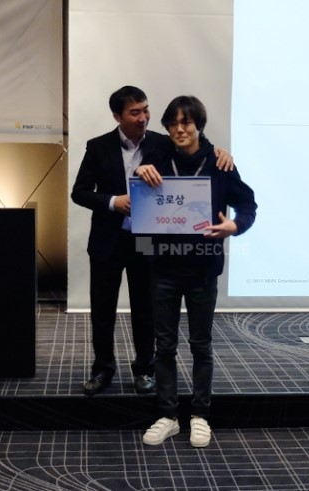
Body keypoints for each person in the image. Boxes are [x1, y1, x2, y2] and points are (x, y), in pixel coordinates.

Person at [71, 86, 234, 396]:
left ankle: (144, 369)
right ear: (117, 116)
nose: (143, 117)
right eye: (135, 112)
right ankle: (102, 368)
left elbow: (196, 144)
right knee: (102, 309)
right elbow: (79, 192)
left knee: (146, 308)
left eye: (145, 110)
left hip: (147, 240)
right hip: (108, 240)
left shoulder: (161, 143)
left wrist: (219, 152)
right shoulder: (98, 146)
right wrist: (113, 202)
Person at [137, 96, 257, 448]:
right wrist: (139, 172)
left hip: (203, 268)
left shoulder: (219, 163)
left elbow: (248, 204)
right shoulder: (158, 157)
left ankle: (200, 414)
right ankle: (168, 415)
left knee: (201, 345)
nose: (179, 129)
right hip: (163, 268)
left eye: (186, 122)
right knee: (164, 345)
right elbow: (140, 188)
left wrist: (234, 226)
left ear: (198, 125)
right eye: (173, 123)